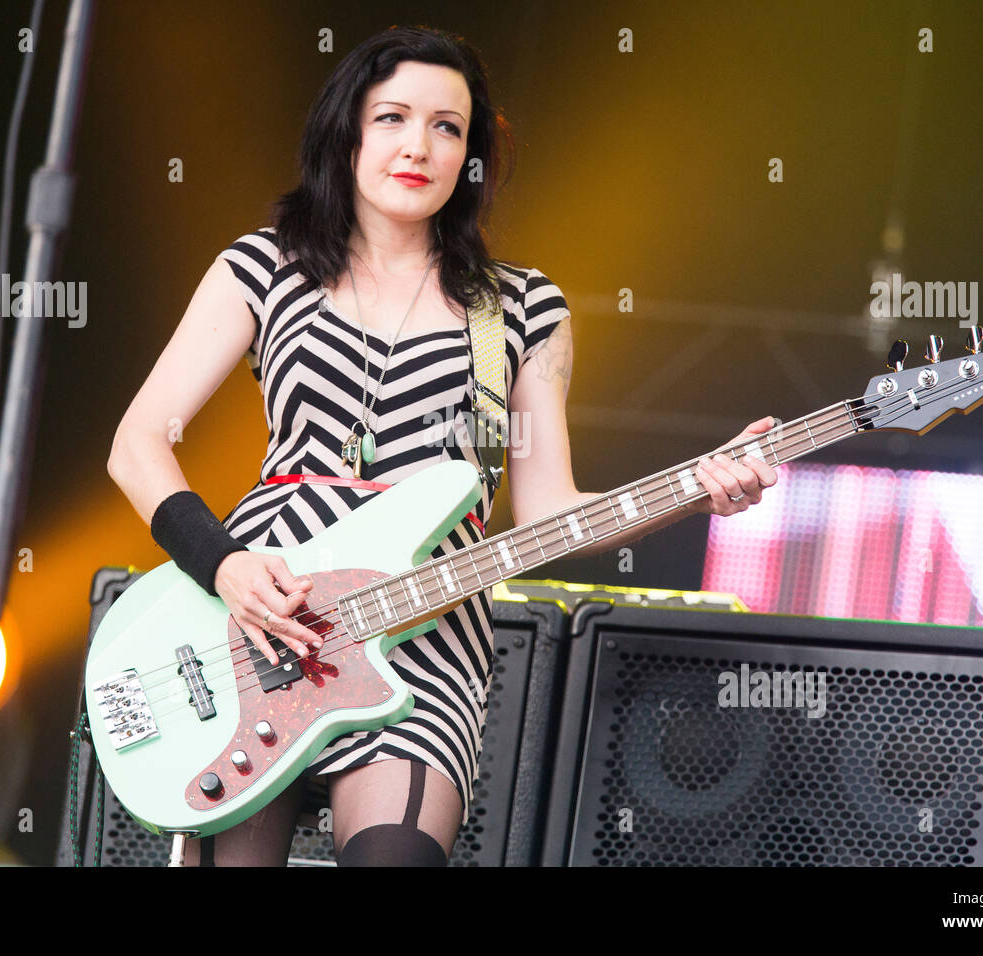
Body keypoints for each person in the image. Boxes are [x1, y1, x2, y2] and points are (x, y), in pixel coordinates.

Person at [106, 24, 777, 867]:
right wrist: (226, 565)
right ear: (346, 130)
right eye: (392, 117)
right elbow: (137, 445)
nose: (418, 145)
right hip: (258, 614)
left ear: (471, 157)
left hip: (421, 639)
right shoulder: (262, 267)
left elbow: (551, 512)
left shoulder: (522, 308)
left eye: (448, 127)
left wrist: (695, 490)